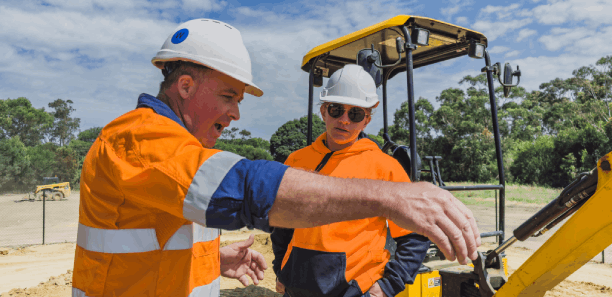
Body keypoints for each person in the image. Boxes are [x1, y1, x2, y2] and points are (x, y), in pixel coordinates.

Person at [72, 19, 480, 297]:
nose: (235, 113)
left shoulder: (173, 148)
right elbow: (245, 189)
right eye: (229, 96)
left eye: (356, 113)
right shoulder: (137, 139)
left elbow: (150, 244)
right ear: (184, 86)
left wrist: (212, 258)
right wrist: (390, 197)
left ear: (368, 116)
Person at [272, 65, 430, 297]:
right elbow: (282, 225)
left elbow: (415, 236)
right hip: (297, 289)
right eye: (336, 110)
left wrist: (387, 287)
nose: (344, 120)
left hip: (356, 291)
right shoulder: (296, 160)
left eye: (355, 114)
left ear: (366, 120)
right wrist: (281, 271)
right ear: (324, 111)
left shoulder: (385, 168)